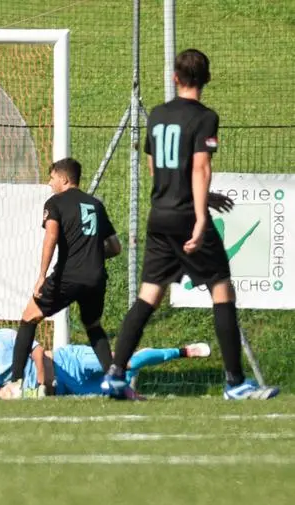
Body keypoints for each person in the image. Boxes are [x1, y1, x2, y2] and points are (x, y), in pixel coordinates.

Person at [101, 49, 278, 400]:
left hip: (159, 216)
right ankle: (235, 383)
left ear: (175, 78)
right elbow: (199, 168)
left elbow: (156, 169)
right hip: (186, 217)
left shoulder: (158, 115)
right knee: (221, 288)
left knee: (149, 294)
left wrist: (202, 198)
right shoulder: (205, 117)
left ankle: (116, 375)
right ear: (206, 79)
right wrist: (201, 217)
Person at [1, 157, 122, 398]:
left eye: (52, 177)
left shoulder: (55, 202)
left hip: (68, 276)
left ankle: (14, 383)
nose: (50, 182)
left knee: (29, 317)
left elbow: (51, 238)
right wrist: (92, 256)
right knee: (94, 326)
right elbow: (115, 247)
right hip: (96, 278)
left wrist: (41, 276)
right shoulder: (96, 204)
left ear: (64, 179)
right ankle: (116, 383)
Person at [0, 324, 212, 398]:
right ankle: (129, 386)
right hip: (65, 387)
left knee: (126, 362)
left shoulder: (3, 337)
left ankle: (181, 352)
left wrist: (41, 384)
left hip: (68, 361)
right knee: (125, 398)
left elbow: (38, 352)